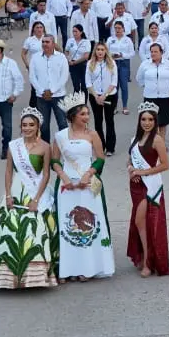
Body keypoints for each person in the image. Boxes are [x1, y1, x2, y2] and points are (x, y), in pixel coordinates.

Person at [0, 107, 59, 289]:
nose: (27, 128)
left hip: (36, 190)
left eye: (31, 125)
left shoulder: (45, 147)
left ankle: (36, 275)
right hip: (16, 190)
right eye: (24, 125)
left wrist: (37, 199)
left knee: (37, 230)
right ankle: (5, 274)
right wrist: (8, 195)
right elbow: (8, 172)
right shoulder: (14, 146)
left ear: (38, 126)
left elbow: (46, 174)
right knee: (7, 229)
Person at [52, 93, 115, 281]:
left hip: (88, 184)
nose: (87, 117)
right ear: (72, 116)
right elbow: (55, 159)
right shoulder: (60, 136)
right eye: (83, 114)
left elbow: (100, 158)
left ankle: (88, 266)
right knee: (66, 224)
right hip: (67, 184)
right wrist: (63, 176)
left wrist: (88, 174)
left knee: (91, 223)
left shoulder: (93, 134)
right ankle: (66, 267)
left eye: (87, 114)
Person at [127, 102, 169, 277]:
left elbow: (165, 165)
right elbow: (130, 160)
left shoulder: (157, 140)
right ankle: (143, 256)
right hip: (135, 186)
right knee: (139, 222)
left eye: (150, 119)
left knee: (143, 222)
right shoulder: (134, 139)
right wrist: (131, 170)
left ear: (155, 121)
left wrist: (142, 171)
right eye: (144, 119)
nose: (147, 122)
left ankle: (148, 261)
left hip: (150, 186)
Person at [29, 35, 69, 137]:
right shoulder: (35, 58)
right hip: (41, 96)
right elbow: (32, 77)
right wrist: (42, 91)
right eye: (43, 42)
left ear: (53, 44)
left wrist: (52, 91)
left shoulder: (61, 57)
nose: (44, 44)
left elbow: (64, 76)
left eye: (47, 42)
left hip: (59, 96)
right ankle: (46, 150)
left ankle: (63, 149)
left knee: (63, 124)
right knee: (43, 126)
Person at [136, 43, 169, 138]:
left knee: (163, 122)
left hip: (165, 97)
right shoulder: (145, 64)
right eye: (151, 52)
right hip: (150, 97)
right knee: (150, 122)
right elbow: (139, 78)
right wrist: (148, 86)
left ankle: (161, 142)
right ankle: (151, 143)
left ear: (161, 52)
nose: (153, 54)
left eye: (155, 52)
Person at [85, 40, 118, 156]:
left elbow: (114, 81)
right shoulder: (90, 63)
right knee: (98, 122)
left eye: (102, 50)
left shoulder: (112, 63)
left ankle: (110, 147)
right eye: (98, 50)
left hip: (110, 95)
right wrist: (96, 96)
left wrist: (104, 95)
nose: (100, 52)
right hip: (95, 96)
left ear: (106, 51)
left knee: (109, 121)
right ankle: (100, 145)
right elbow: (88, 82)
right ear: (95, 51)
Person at [106, 21, 135, 115]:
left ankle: (125, 106)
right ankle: (114, 107)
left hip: (123, 63)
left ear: (123, 29)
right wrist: (111, 55)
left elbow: (132, 53)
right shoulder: (110, 39)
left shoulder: (128, 40)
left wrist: (122, 55)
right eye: (116, 28)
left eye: (119, 28)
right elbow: (105, 51)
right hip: (113, 63)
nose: (117, 30)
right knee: (114, 86)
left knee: (124, 85)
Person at [64, 24, 92, 94]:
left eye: (76, 31)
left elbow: (86, 56)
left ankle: (84, 104)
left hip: (83, 64)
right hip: (72, 65)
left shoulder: (86, 42)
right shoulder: (70, 40)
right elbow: (66, 51)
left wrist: (75, 62)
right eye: (73, 31)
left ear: (81, 32)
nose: (74, 33)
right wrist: (68, 59)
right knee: (76, 86)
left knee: (84, 87)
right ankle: (76, 104)